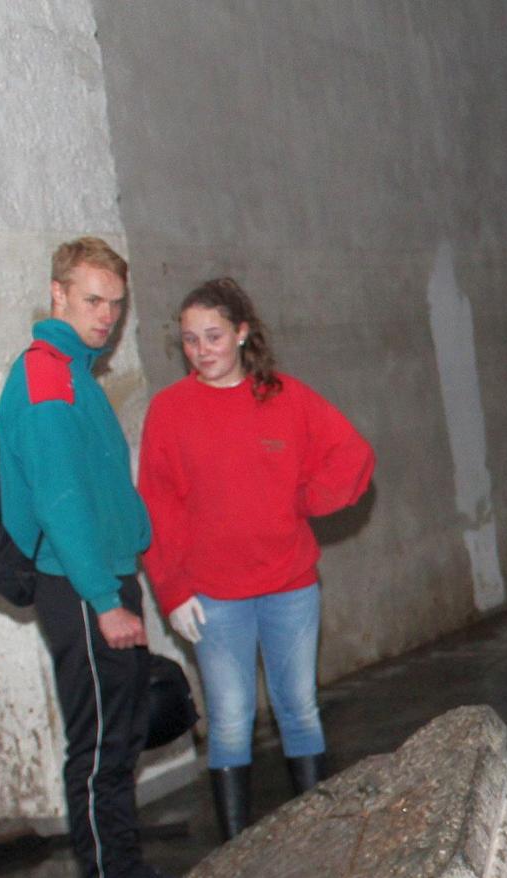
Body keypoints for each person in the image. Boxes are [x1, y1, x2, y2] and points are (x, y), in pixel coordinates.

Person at [138, 279, 375, 839]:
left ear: (243, 333)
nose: (202, 350)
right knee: (229, 722)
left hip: (289, 586)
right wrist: (172, 591)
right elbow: (157, 505)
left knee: (300, 709)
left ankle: (317, 836)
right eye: (190, 340)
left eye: (213, 336)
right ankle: (237, 849)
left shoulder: (286, 398)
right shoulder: (170, 412)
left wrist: (306, 498)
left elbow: (352, 456)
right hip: (213, 597)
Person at [0, 237, 166, 878]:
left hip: (99, 573)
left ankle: (125, 876)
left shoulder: (75, 372)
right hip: (78, 584)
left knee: (118, 736)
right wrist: (104, 600)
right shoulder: (47, 377)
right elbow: (62, 501)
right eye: (93, 300)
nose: (106, 316)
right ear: (57, 294)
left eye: (116, 305)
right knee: (99, 745)